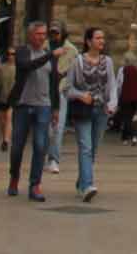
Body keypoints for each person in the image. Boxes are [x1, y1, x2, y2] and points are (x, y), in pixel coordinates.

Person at [64, 27, 117, 200]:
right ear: (88, 41)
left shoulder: (107, 61)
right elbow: (67, 88)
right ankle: (87, 186)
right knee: (85, 147)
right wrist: (80, 95)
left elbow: (112, 85)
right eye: (98, 38)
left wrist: (112, 104)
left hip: (101, 110)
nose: (102, 41)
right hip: (84, 110)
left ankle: (81, 182)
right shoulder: (77, 62)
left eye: (103, 38)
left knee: (92, 149)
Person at [9, 21, 57, 201]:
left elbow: (54, 82)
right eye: (38, 34)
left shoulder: (49, 55)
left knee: (40, 145)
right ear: (30, 36)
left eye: (44, 34)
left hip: (43, 105)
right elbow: (27, 66)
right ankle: (14, 176)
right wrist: (50, 55)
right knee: (17, 147)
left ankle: (35, 185)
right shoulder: (22, 52)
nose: (42, 37)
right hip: (23, 104)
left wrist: (56, 108)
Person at [46, 25, 77, 177]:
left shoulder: (72, 51)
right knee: (46, 129)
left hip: (60, 91)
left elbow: (74, 72)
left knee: (58, 127)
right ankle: (45, 156)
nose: (54, 36)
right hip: (44, 92)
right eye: (51, 33)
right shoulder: (44, 47)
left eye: (56, 33)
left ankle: (54, 159)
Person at [117, 51, 137, 144]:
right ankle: (125, 138)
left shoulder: (123, 70)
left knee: (126, 118)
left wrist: (117, 96)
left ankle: (133, 136)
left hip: (125, 97)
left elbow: (119, 84)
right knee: (129, 117)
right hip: (136, 98)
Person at [0, 48, 18, 150]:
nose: (11, 56)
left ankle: (6, 141)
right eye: (9, 54)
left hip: (14, 98)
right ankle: (4, 138)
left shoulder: (19, 68)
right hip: (2, 97)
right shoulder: (1, 68)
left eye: (13, 54)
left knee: (9, 117)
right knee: (2, 120)